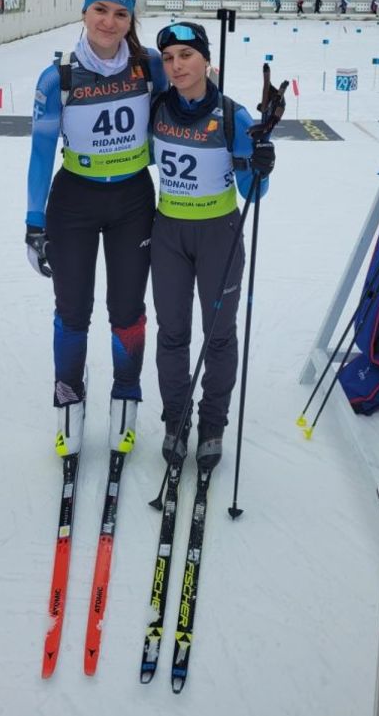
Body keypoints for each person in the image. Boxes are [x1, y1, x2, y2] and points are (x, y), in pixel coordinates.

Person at [25, 0, 167, 459]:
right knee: (72, 311)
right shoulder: (59, 77)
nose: (109, 22)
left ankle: (126, 395)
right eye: (100, 10)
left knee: (127, 311)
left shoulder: (150, 66)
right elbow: (42, 153)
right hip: (74, 203)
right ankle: (69, 396)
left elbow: (185, 111)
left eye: (121, 13)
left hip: (133, 201)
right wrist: (33, 222)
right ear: (85, 11)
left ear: (131, 20)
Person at [149, 23, 276, 471]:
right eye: (168, 58)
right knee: (172, 333)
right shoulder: (157, 109)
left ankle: (213, 422)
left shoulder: (232, 115)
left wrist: (261, 164)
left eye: (186, 55)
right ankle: (176, 419)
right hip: (168, 234)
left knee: (218, 335)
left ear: (206, 61)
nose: (177, 65)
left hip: (219, 233)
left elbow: (251, 193)